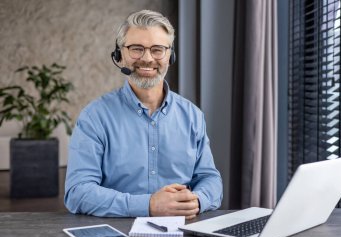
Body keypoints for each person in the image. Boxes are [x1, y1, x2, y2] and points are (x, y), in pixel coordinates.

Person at [64, 10, 223, 219]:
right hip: (117, 236)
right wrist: (148, 205)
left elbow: (210, 179)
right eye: (136, 49)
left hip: (184, 235)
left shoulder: (192, 115)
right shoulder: (94, 117)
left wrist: (198, 199)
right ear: (119, 55)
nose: (147, 59)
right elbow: (77, 192)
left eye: (158, 50)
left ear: (170, 55)